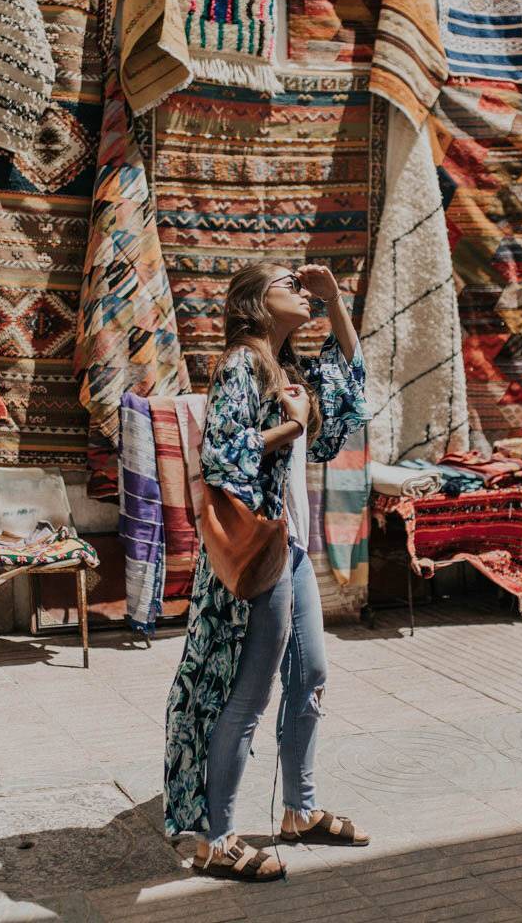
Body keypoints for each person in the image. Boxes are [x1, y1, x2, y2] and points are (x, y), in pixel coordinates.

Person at [164, 263, 372, 882]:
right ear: (255, 302)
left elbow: (350, 399)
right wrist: (289, 426)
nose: (301, 289)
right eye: (290, 283)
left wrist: (335, 300)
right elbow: (221, 455)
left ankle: (299, 811)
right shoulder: (239, 366)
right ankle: (218, 838)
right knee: (246, 692)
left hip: (293, 548)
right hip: (257, 548)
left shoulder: (289, 371)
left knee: (309, 674)